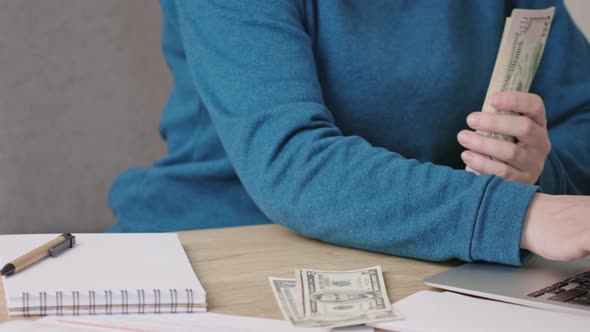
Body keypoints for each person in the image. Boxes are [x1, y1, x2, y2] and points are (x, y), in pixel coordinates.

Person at [107, 1, 590, 266]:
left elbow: (581, 115)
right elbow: (291, 162)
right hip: (223, 246)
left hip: (426, 253)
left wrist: (542, 168)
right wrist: (518, 213)